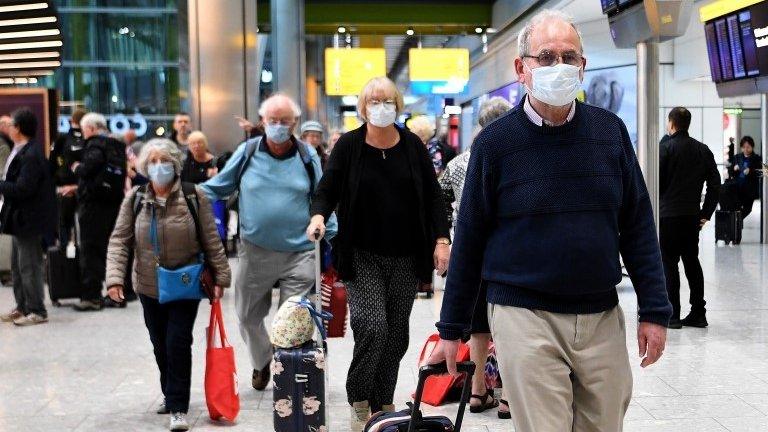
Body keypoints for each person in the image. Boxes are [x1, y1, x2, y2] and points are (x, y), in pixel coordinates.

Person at [427, 10, 672, 432]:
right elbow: (469, 238)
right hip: (524, 313)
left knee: (604, 423)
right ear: (522, 68)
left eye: (569, 57)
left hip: (600, 312)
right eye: (546, 56)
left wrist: (654, 308)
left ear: (582, 66)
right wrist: (452, 325)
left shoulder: (610, 133)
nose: (559, 66)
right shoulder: (495, 145)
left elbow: (637, 226)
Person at [306, 76, 451, 431]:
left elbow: (433, 196)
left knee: (397, 333)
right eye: (374, 101)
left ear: (397, 106)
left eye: (388, 101)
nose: (381, 107)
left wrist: (441, 240)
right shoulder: (350, 146)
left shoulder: (413, 147)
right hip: (361, 254)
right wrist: (319, 215)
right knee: (373, 327)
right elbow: (329, 187)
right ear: (363, 107)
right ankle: (359, 400)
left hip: (405, 255)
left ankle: (383, 402)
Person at [202, 94, 338, 393]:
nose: (278, 126)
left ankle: (285, 367)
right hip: (256, 249)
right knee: (248, 316)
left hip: (300, 251)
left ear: (294, 124)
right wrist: (187, 194)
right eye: (272, 121)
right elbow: (220, 185)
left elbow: (322, 196)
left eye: (284, 121)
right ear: (263, 122)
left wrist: (334, 237)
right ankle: (264, 361)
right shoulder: (248, 151)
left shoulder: (307, 155)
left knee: (292, 317)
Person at [106, 138, 230, 431]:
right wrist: (114, 278)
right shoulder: (136, 198)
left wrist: (221, 276)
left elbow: (211, 239)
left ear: (175, 165)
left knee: (177, 342)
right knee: (159, 343)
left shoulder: (192, 195)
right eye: (153, 161)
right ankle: (169, 390)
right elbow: (120, 240)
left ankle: (178, 406)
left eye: (164, 160)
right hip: (149, 285)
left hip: (185, 282)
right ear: (145, 166)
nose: (159, 166)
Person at [439, 96, 513, 418]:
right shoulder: (512, 158)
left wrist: (446, 235)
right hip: (505, 252)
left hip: (470, 252)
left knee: (479, 324)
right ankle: (508, 394)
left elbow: (439, 198)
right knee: (509, 323)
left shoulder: (458, 164)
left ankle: (478, 391)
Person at [659, 107, 720, 329]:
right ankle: (698, 312)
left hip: (667, 217)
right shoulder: (702, 150)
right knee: (692, 263)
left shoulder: (664, 148)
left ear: (672, 124)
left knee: (669, 264)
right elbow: (715, 185)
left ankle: (673, 316)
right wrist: (705, 213)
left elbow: (656, 183)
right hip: (691, 218)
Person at [0, 108, 57, 326]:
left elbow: (24, 188)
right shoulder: (19, 150)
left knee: (29, 265)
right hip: (17, 218)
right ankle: (22, 306)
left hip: (29, 219)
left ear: (20, 128)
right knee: (17, 264)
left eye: (12, 125)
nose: (9, 128)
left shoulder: (32, 155)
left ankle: (37, 310)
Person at [71, 112, 127, 311]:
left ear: (92, 129)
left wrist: (77, 167)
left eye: (84, 129)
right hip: (113, 203)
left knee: (91, 249)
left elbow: (87, 170)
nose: (83, 133)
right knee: (111, 249)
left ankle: (91, 296)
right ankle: (119, 293)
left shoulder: (95, 145)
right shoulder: (117, 145)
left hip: (93, 205)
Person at [50, 108, 86, 247]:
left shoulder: (62, 139)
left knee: (64, 223)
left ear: (72, 121)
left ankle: (65, 255)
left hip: (64, 187)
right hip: (84, 187)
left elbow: (53, 162)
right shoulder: (90, 140)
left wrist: (57, 180)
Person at [733, 136, 762, 218]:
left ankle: (738, 219)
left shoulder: (756, 158)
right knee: (736, 207)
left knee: (747, 209)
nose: (746, 149)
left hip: (750, 188)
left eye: (748, 147)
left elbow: (761, 172)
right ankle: (736, 223)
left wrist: (751, 171)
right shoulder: (737, 157)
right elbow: (731, 171)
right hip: (738, 187)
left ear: (752, 147)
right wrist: (734, 169)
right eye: (744, 147)